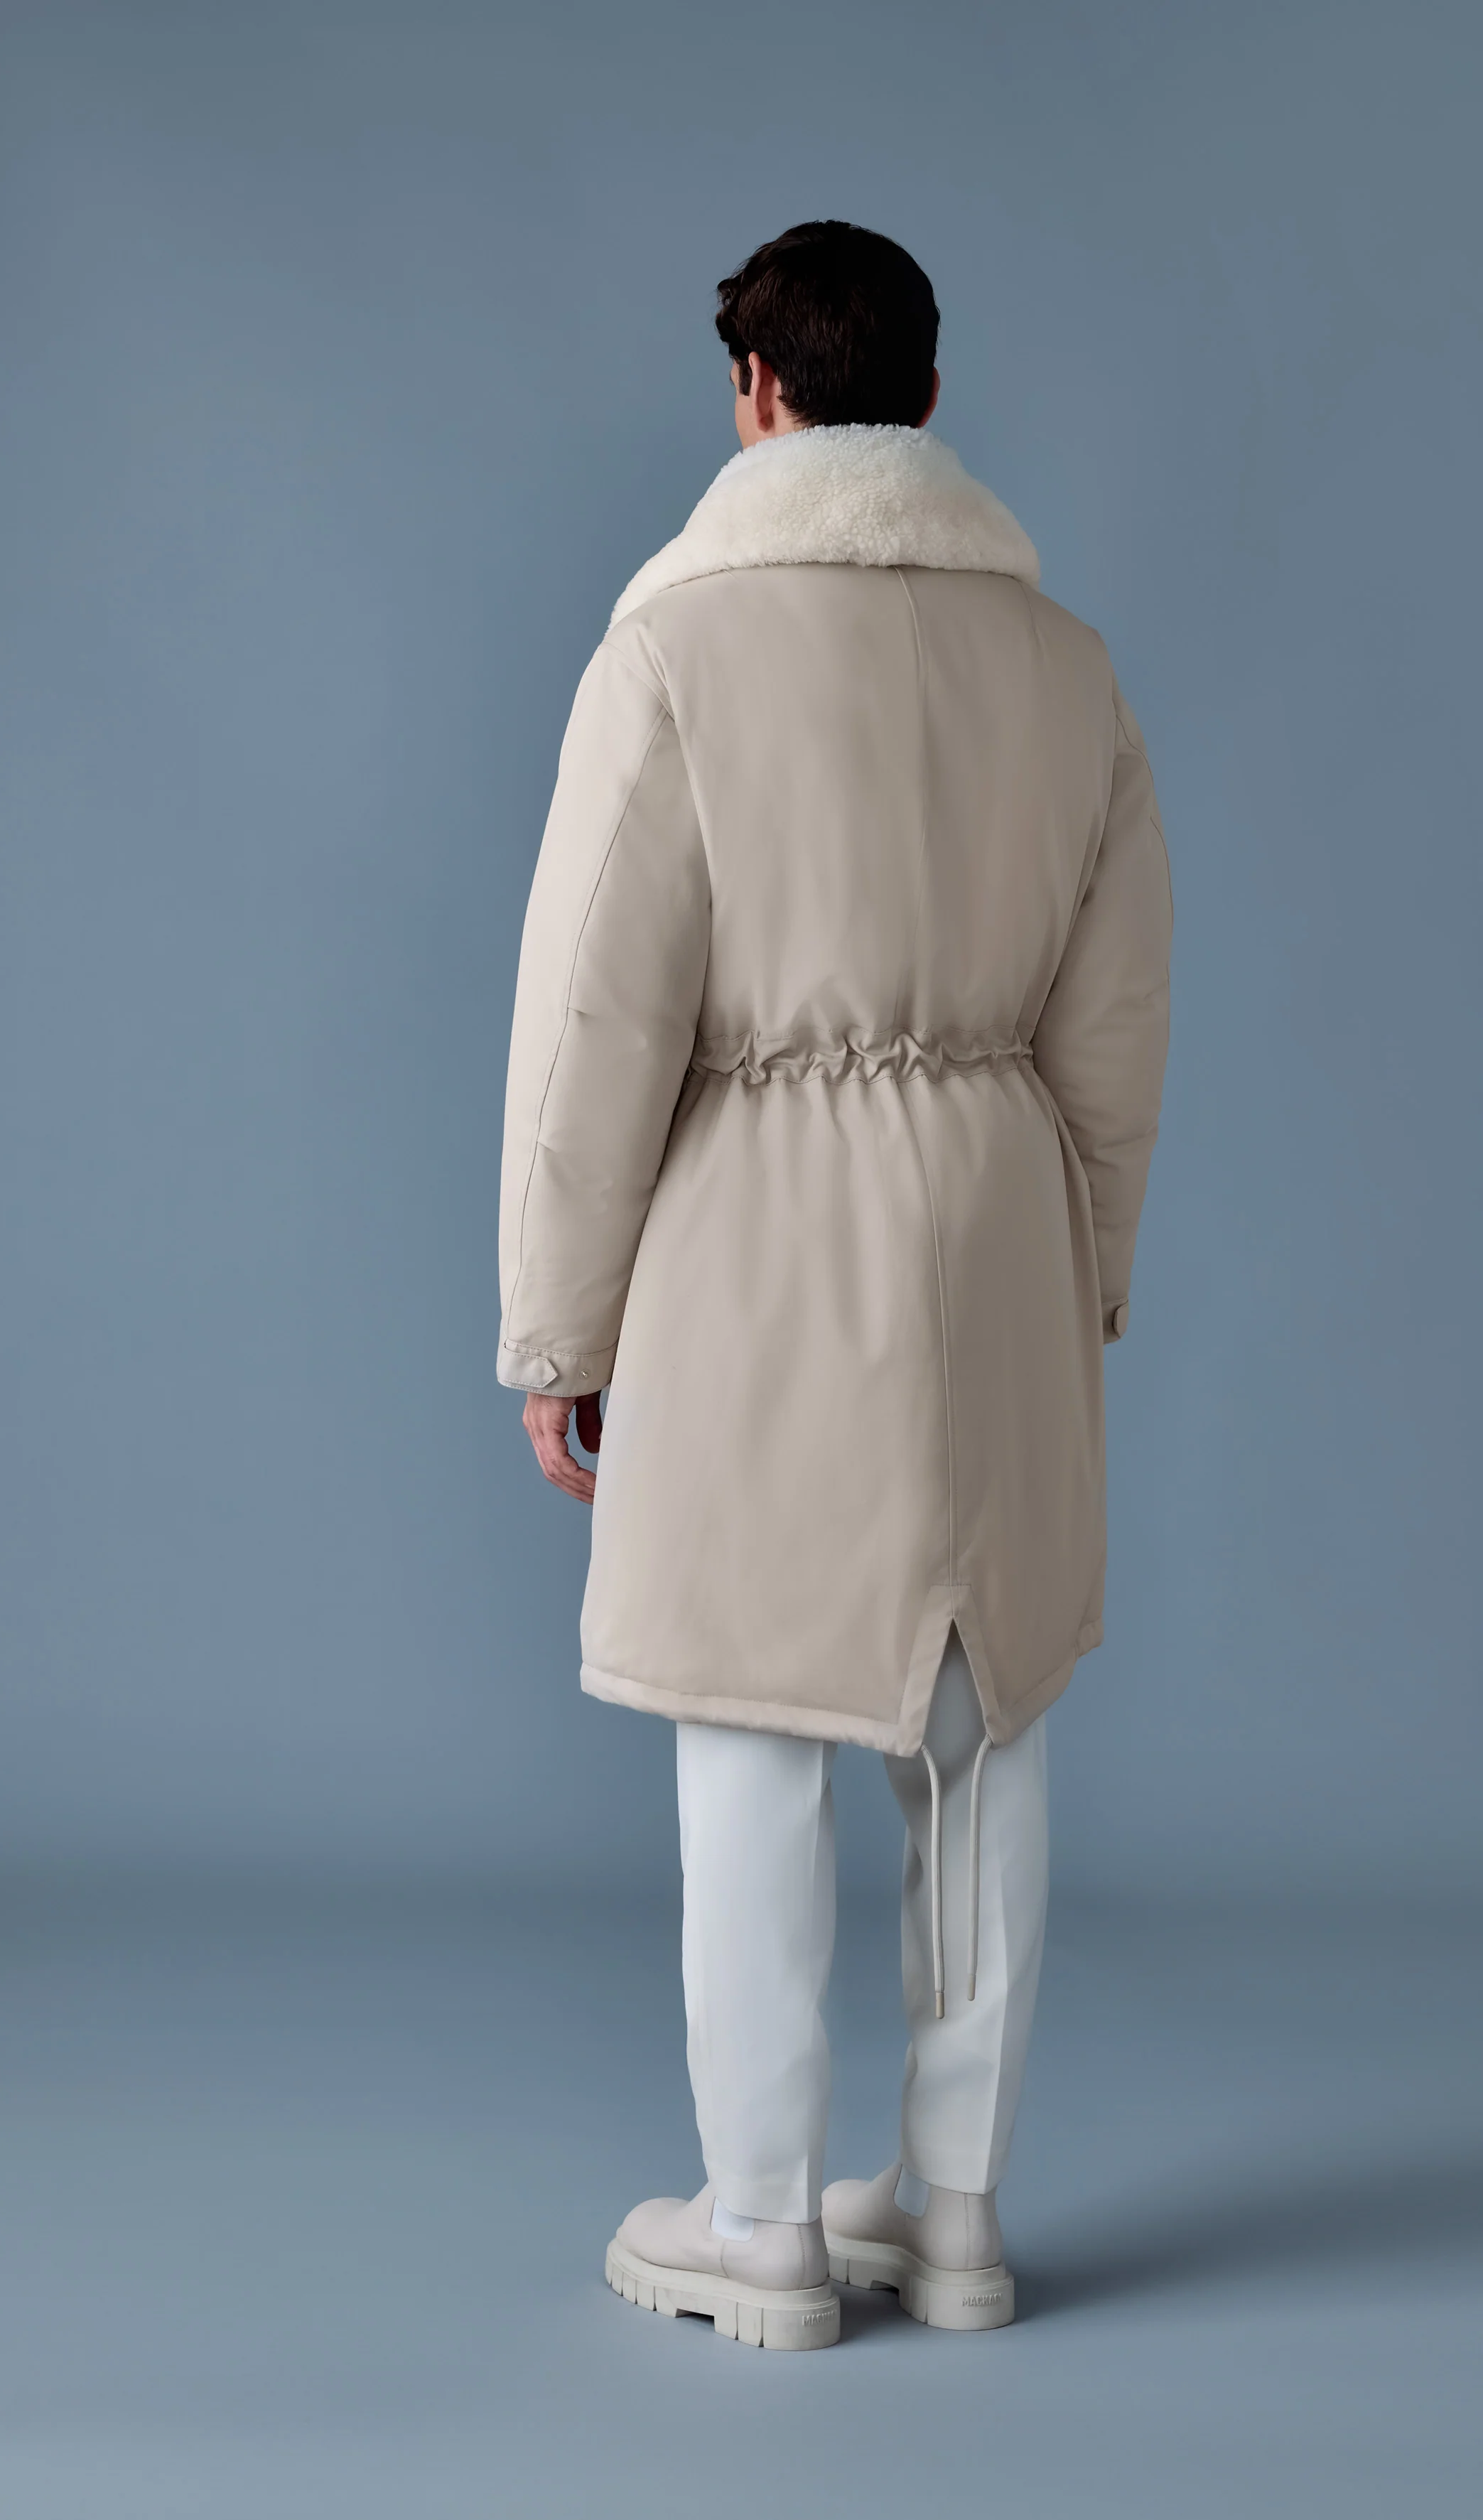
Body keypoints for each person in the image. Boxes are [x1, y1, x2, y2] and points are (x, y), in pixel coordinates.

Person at [497, 220, 1172, 2349]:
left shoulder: (677, 649)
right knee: (985, 1722)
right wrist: (1087, 1274)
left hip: (758, 1224)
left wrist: (560, 1324)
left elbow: (595, 1017)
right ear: (929, 401)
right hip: (1000, 1209)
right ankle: (956, 2216)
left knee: (752, 1715)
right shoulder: (1064, 667)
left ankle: (765, 2225)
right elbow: (1117, 1024)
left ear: (757, 395)